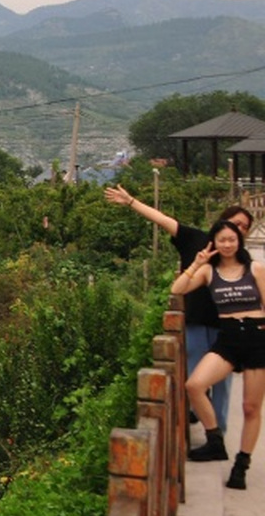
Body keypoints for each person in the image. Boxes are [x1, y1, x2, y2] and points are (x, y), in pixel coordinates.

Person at [104, 185, 252, 435]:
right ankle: (203, 422)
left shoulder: (241, 257)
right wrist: (131, 202)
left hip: (226, 327)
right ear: (222, 221)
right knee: (195, 378)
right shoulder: (194, 239)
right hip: (195, 322)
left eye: (244, 227)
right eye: (235, 223)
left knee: (222, 383)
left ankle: (217, 435)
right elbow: (162, 219)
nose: (238, 229)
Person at [173, 219, 265, 488]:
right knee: (194, 385)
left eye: (232, 239)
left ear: (239, 241)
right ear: (214, 242)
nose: (227, 244)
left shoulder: (255, 269)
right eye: (222, 240)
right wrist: (197, 263)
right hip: (228, 338)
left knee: (250, 407)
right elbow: (177, 289)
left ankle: (241, 465)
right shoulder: (209, 273)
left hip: (257, 338)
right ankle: (215, 441)